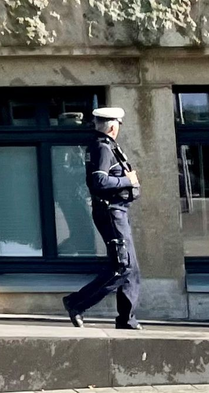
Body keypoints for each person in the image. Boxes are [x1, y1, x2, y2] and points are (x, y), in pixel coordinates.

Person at [62, 107, 142, 330]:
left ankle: (127, 319)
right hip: (111, 211)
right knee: (122, 265)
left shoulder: (107, 146)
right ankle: (77, 303)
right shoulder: (102, 147)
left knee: (131, 267)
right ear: (114, 126)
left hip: (118, 211)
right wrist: (128, 181)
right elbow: (98, 182)